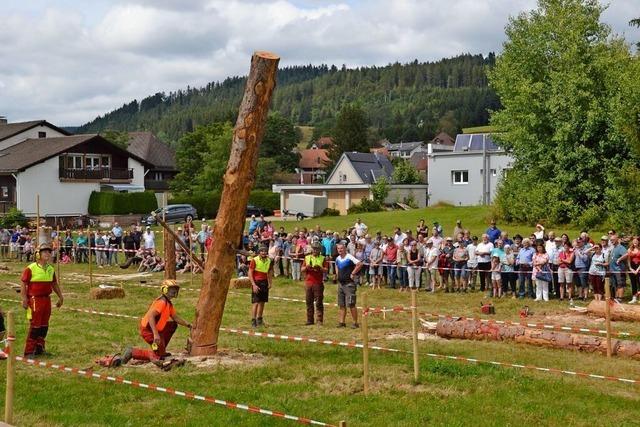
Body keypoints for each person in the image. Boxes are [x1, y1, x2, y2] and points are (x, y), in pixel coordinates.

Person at [122, 280, 191, 364]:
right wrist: (155, 334)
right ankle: (132, 352)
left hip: (156, 330)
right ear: (165, 289)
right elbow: (151, 316)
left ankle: (161, 349)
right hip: (148, 330)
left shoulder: (168, 304)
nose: (174, 291)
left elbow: (175, 317)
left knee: (173, 325)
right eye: (172, 289)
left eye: (175, 289)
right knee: (157, 357)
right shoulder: (161, 302)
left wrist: (188, 325)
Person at [21, 243, 64, 357]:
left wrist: (60, 297)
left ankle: (39, 347)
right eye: (45, 252)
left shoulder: (50, 269)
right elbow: (24, 284)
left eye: (49, 252)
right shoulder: (30, 268)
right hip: (35, 299)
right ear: (38, 254)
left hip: (46, 300)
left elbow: (54, 284)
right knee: (35, 325)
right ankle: (29, 351)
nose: (48, 254)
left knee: (44, 325)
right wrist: (24, 299)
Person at [334, 243, 363, 328]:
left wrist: (353, 273)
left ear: (345, 249)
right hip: (341, 284)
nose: (340, 250)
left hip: (349, 284)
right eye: (338, 248)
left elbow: (360, 264)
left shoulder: (349, 257)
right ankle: (342, 322)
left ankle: (355, 323)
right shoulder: (338, 258)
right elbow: (336, 265)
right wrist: (337, 274)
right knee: (341, 304)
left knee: (351, 304)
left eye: (341, 248)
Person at [301, 243, 328, 325]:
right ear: (312, 249)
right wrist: (306, 267)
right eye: (314, 249)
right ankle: (310, 320)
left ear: (320, 250)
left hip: (318, 283)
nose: (315, 250)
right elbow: (302, 269)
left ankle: (319, 320)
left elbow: (326, 269)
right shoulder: (307, 257)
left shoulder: (323, 258)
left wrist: (320, 268)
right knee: (309, 302)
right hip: (308, 282)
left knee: (319, 301)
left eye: (317, 249)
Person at [249, 246, 273, 327]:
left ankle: (259, 319)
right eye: (262, 251)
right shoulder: (254, 260)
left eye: (265, 251)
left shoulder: (269, 260)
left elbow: (269, 272)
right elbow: (250, 272)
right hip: (257, 282)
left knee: (262, 302)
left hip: (264, 282)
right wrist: (253, 284)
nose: (263, 253)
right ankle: (253, 320)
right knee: (256, 302)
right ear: (259, 252)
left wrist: (270, 282)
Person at [608, 234, 627, 302]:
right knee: (615, 285)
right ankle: (617, 298)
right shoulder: (613, 248)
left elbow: (626, 254)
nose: (611, 241)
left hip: (619, 270)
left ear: (617, 239)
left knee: (620, 284)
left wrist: (620, 259)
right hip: (613, 270)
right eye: (611, 240)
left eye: (613, 239)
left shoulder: (621, 247)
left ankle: (620, 298)